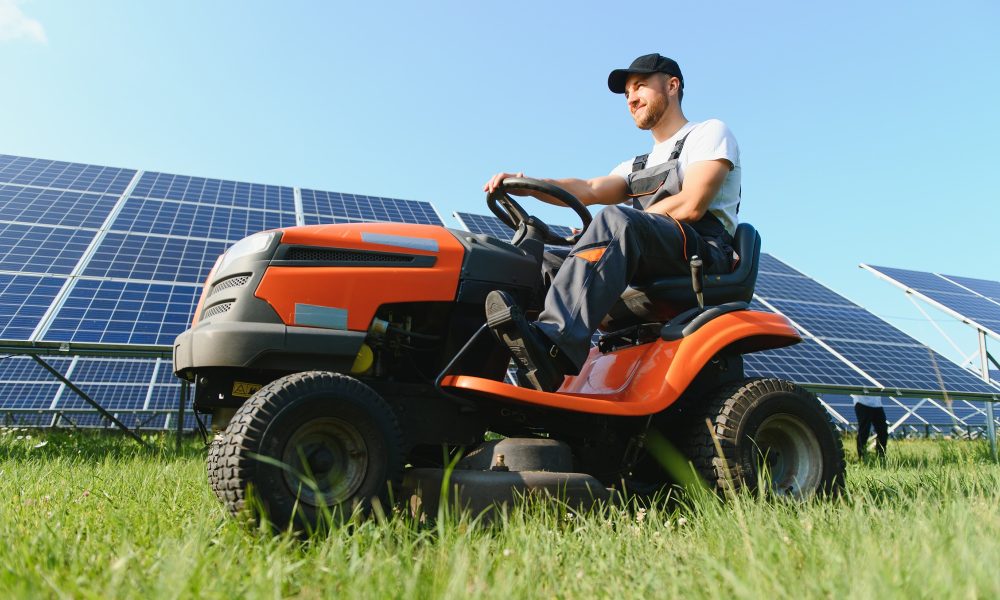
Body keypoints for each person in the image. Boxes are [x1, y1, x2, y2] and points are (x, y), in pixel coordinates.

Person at [483, 53, 742, 392]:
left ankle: (553, 346)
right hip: (644, 252)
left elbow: (693, 204)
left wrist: (613, 228)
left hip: (701, 250)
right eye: (627, 94)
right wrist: (530, 185)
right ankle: (504, 364)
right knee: (544, 262)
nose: (631, 98)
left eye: (640, 87)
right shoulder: (636, 164)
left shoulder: (708, 133)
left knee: (614, 221)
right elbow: (588, 189)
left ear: (672, 86)